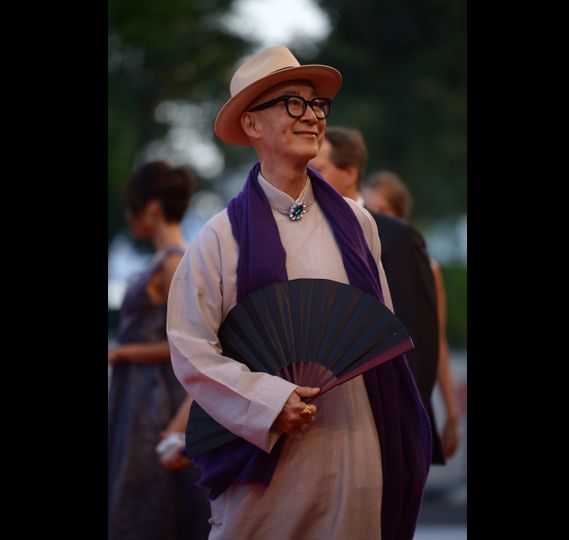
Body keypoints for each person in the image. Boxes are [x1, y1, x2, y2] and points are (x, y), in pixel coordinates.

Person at [167, 45, 430, 540]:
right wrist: (268, 400)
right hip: (265, 456)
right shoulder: (220, 237)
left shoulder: (358, 223)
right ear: (251, 125)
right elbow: (190, 348)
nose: (311, 116)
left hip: (356, 445)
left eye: (316, 105)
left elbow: (379, 339)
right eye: (293, 103)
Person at [310, 128, 461, 462]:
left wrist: (406, 425)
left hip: (386, 419)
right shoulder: (303, 235)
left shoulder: (397, 237)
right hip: (317, 419)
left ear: (350, 172)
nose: (308, 179)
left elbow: (417, 340)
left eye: (317, 169)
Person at [107, 161, 210, 540]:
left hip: (157, 399)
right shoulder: (163, 260)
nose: (129, 215)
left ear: (151, 208)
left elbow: (186, 344)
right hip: (138, 393)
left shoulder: (174, 261)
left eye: (132, 205)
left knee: (147, 490)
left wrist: (121, 354)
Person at [363, 169, 463, 458]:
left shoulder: (425, 267)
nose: (377, 219)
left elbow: (437, 340)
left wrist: (452, 412)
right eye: (371, 211)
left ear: (400, 215)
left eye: (384, 211)